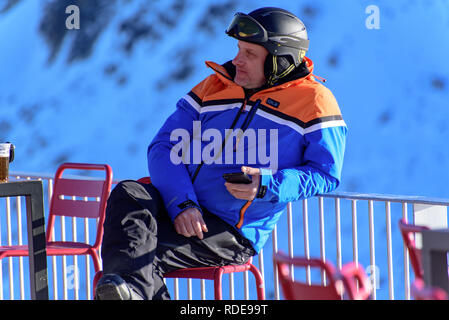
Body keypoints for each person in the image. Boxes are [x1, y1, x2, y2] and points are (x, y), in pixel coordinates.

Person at [95, 7, 347, 300]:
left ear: (281, 61)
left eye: (250, 54)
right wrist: (182, 203)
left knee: (129, 261)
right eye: (238, 49)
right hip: (180, 210)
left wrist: (267, 185)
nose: (237, 60)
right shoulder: (213, 86)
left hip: (230, 231)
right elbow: (163, 146)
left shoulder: (315, 101)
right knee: (129, 192)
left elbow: (325, 174)